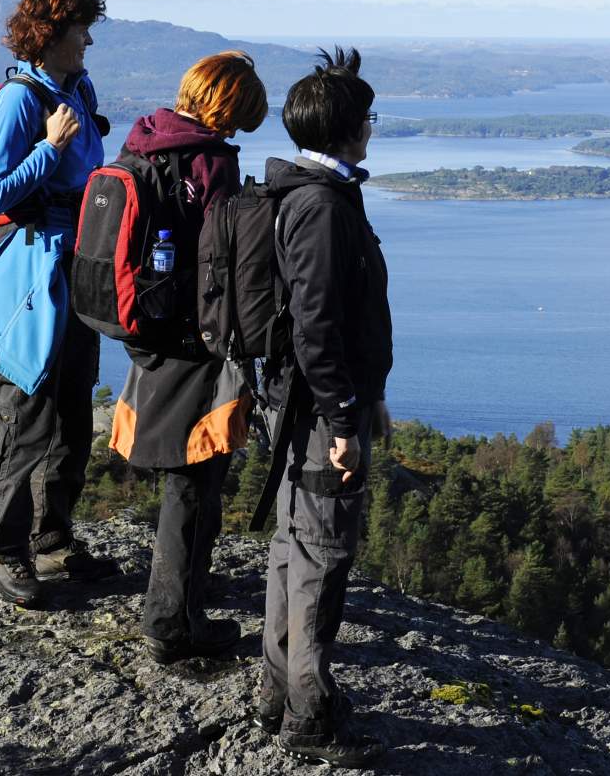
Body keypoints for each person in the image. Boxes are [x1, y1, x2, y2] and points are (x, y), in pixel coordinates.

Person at [0, 0, 118, 607]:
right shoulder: (19, 102)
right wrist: (49, 149)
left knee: (73, 413)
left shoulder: (77, 88)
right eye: (81, 31)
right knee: (25, 411)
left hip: (77, 266)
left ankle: (54, 540)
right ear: (52, 34)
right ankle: (6, 551)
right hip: (31, 270)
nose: (87, 43)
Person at [105, 51, 270, 663]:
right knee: (196, 478)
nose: (238, 130)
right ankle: (172, 619)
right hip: (192, 341)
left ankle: (181, 597)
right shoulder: (209, 161)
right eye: (240, 115)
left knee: (185, 475)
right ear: (227, 107)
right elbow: (223, 264)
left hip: (145, 330)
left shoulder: (143, 141)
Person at [254, 47, 392, 767]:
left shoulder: (306, 192)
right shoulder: (322, 209)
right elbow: (318, 326)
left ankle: (279, 691)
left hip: (306, 407)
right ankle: (309, 714)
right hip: (316, 418)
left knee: (292, 551)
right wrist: (346, 421)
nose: (373, 127)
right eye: (367, 116)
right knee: (319, 558)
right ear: (348, 128)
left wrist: (369, 403)